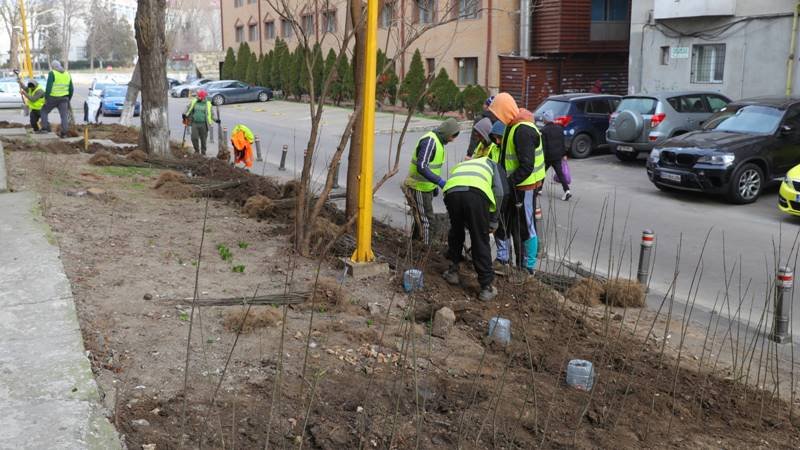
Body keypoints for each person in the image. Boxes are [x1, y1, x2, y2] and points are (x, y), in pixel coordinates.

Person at [489, 92, 546, 275]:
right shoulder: (511, 126)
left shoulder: (523, 130)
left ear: (505, 111)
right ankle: (503, 260)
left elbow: (527, 166)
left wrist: (507, 183)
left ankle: (527, 268)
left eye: (497, 113)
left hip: (525, 188)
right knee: (505, 221)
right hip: (514, 187)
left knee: (525, 227)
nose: (496, 117)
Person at [441, 155, 507, 301]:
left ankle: (452, 271)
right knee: (480, 239)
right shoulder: (491, 164)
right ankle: (486, 287)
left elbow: (454, 186)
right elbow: (500, 192)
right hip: (475, 195)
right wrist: (493, 220)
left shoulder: (464, 164)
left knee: (456, 233)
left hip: (451, 193)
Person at [404, 117, 460, 246]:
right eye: (452, 136)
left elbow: (432, 167)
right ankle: (425, 250)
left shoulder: (438, 142)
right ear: (447, 133)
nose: (452, 140)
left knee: (421, 218)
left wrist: (434, 185)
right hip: (419, 186)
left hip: (426, 187)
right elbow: (422, 166)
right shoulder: (430, 141)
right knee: (428, 221)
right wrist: (439, 181)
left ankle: (414, 245)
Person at [541, 110, 571, 200]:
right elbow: (562, 143)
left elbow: (544, 146)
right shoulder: (559, 128)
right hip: (558, 156)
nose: (543, 120)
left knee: (542, 173)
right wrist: (564, 154)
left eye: (544, 119)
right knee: (560, 174)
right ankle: (567, 191)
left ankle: (538, 189)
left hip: (548, 157)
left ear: (546, 120)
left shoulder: (544, 130)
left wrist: (542, 157)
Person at [39, 60, 73, 137]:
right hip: (64, 98)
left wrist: (46, 98)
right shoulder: (67, 74)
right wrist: (68, 99)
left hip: (53, 98)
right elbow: (71, 88)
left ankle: (44, 128)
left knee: (44, 110)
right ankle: (64, 133)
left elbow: (48, 87)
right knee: (64, 115)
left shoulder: (52, 73)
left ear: (53, 67)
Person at [183, 90, 218, 155]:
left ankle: (203, 152)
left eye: (199, 96)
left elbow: (212, 114)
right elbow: (187, 107)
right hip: (195, 123)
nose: (197, 97)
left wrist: (216, 120)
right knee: (194, 138)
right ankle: (197, 151)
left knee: (203, 139)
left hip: (204, 124)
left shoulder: (208, 104)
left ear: (203, 97)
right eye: (197, 96)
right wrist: (184, 114)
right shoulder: (194, 102)